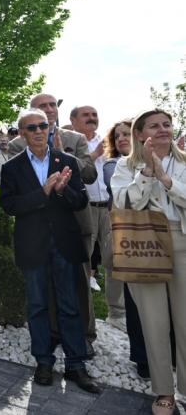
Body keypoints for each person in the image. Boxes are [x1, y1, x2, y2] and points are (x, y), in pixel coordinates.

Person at [0, 108, 100, 394]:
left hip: (64, 245)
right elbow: (10, 205)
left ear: (49, 129)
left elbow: (80, 201)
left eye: (43, 126)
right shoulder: (12, 167)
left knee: (69, 305)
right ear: (22, 133)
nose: (39, 131)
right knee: (38, 306)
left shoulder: (66, 161)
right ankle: (43, 361)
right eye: (32, 127)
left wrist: (62, 190)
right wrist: (43, 193)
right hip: (32, 246)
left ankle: (76, 364)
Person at [111, 109, 186, 415]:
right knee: (154, 323)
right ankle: (164, 391)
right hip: (144, 244)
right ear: (140, 134)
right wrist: (146, 174)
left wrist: (167, 180)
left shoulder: (184, 162)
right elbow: (124, 203)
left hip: (182, 240)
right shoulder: (125, 165)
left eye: (167, 124)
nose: (163, 129)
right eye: (154, 125)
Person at [102, 118, 154, 379]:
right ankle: (142, 357)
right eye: (117, 136)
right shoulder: (115, 165)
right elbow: (126, 199)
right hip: (133, 236)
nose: (122, 138)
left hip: (165, 234)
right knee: (135, 298)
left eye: (127, 133)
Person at [70, 105, 125, 329]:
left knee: (115, 259)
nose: (92, 118)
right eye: (86, 115)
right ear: (74, 120)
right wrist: (94, 155)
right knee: (83, 261)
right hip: (86, 208)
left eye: (94, 115)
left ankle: (117, 313)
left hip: (110, 208)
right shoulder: (70, 142)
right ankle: (83, 315)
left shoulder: (108, 141)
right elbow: (73, 171)